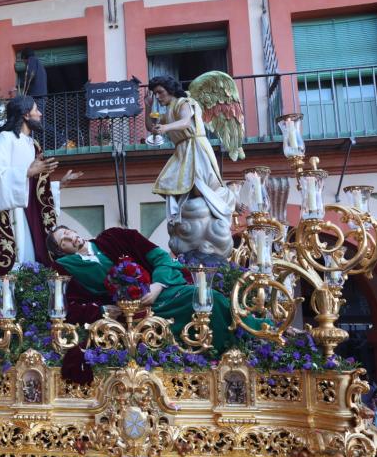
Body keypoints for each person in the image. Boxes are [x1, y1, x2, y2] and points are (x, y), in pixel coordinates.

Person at [46, 225, 270, 384]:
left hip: (164, 292)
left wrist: (157, 285)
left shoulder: (116, 237)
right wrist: (105, 310)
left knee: (209, 299)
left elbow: (161, 258)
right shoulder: (65, 268)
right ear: (60, 252)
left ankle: (252, 340)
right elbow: (69, 306)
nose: (70, 238)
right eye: (63, 241)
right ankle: (214, 361)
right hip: (130, 317)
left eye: (68, 232)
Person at [0, 95, 81, 285]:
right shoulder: (6, 138)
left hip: (27, 211)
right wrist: (27, 171)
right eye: (36, 110)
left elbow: (35, 186)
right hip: (8, 211)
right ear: (25, 114)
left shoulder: (33, 144)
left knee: (29, 256)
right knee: (12, 259)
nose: (40, 114)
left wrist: (57, 186)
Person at [146, 75, 236, 261]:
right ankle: (191, 219)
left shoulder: (184, 102)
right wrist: (148, 107)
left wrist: (165, 128)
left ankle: (223, 203)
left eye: (160, 92)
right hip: (182, 150)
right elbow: (151, 127)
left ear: (170, 90)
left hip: (195, 148)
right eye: (155, 94)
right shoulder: (169, 109)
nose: (158, 97)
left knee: (199, 186)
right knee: (174, 187)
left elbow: (186, 121)